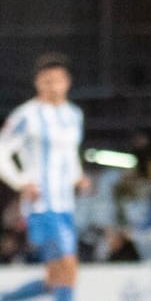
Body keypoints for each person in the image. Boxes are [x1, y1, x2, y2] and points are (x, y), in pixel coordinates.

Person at [0, 53, 90, 301]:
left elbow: (70, 153)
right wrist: (21, 182)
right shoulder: (26, 115)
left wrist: (77, 176)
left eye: (57, 80)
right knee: (68, 266)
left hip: (66, 204)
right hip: (42, 204)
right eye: (47, 81)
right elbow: (2, 150)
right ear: (38, 82)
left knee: (56, 278)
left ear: (67, 82)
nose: (53, 86)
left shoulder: (74, 114)